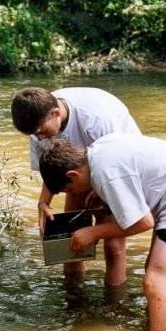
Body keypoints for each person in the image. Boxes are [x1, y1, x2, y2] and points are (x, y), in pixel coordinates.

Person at [38, 135, 166, 331]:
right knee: (153, 275)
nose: (75, 193)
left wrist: (93, 232)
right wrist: (101, 194)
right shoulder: (97, 152)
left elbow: (143, 222)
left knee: (156, 283)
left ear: (73, 175)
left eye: (69, 189)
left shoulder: (106, 175)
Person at [11, 86, 141, 286]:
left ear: (55, 114)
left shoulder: (98, 120)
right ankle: (73, 298)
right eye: (34, 136)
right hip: (77, 169)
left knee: (113, 245)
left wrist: (100, 202)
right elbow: (51, 171)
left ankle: (114, 305)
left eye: (41, 133)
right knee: (69, 242)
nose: (39, 139)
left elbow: (118, 166)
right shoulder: (36, 123)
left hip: (118, 169)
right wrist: (43, 202)